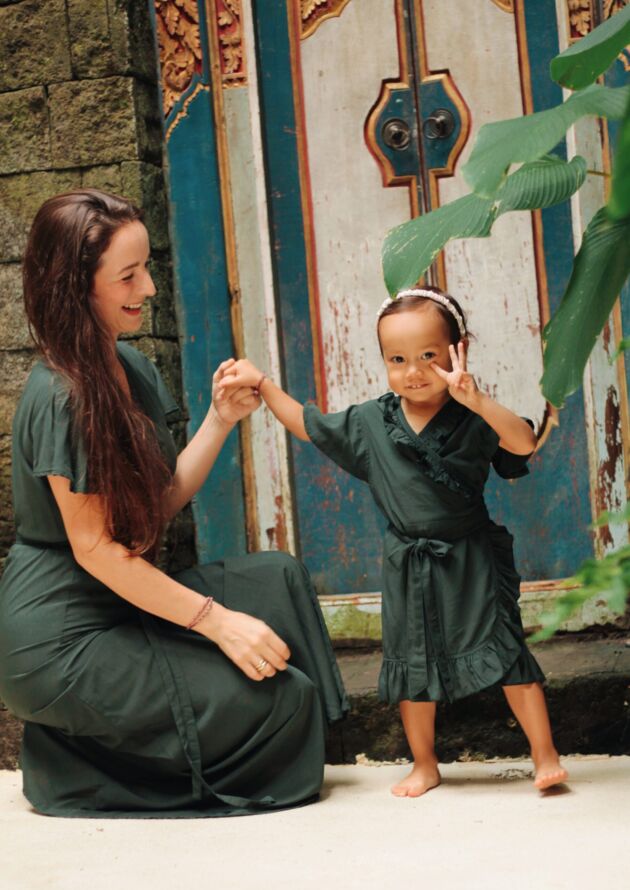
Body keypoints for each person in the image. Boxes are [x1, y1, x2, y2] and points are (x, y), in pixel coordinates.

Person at [0, 188, 348, 818]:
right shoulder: (62, 397)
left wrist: (219, 419)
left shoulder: (129, 367)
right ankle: (68, 765)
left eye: (148, 268)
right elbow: (99, 549)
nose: (150, 288)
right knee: (284, 699)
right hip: (60, 640)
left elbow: (153, 507)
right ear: (75, 285)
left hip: (118, 604)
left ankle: (279, 741)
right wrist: (215, 621)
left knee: (279, 580)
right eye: (128, 275)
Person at [217, 286, 569, 797]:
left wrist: (478, 399)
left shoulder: (474, 416)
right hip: (409, 562)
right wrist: (264, 384)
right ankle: (424, 764)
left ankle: (545, 753)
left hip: (470, 555)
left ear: (458, 349)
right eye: (397, 359)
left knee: (507, 652)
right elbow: (308, 425)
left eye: (429, 356)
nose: (414, 371)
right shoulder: (369, 423)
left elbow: (522, 443)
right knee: (411, 666)